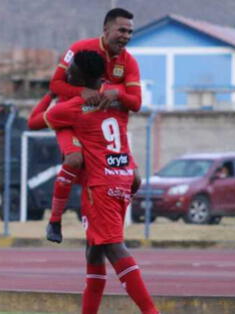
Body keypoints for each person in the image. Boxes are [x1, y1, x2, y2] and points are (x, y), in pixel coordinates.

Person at [29, 50, 158, 314]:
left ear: (79, 75)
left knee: (113, 247)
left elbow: (33, 122)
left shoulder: (72, 108)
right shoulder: (115, 99)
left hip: (100, 185)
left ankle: (151, 312)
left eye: (72, 68)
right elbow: (132, 101)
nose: (67, 71)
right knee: (94, 252)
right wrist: (118, 93)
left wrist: (51, 95)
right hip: (123, 178)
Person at [46, 8, 142, 243]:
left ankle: (111, 216)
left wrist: (116, 94)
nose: (126, 36)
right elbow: (56, 85)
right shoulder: (80, 49)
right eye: (121, 30)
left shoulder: (128, 61)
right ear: (106, 29)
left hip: (102, 129)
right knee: (74, 160)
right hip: (72, 118)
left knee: (136, 179)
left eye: (130, 32)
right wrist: (82, 92)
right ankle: (55, 221)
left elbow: (137, 102)